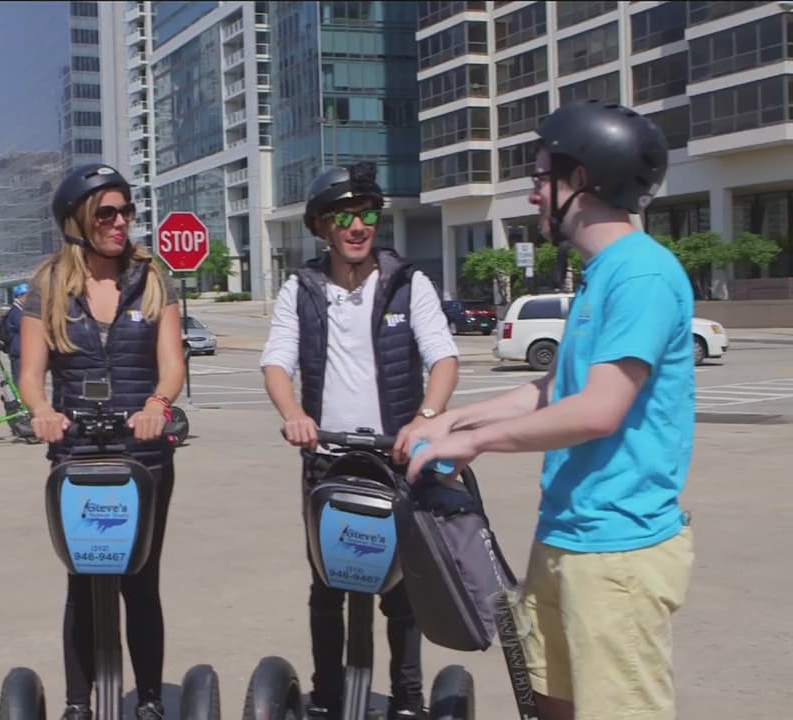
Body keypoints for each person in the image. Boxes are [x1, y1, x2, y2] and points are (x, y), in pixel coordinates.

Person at [405, 100, 694, 720]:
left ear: (581, 181)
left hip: (615, 551)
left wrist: (476, 444)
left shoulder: (641, 275)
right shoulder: (600, 274)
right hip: (566, 535)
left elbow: (598, 410)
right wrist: (453, 419)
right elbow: (554, 390)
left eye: (542, 177)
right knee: (549, 703)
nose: (534, 194)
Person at [260, 160, 460, 720]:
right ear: (322, 226)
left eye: (367, 213)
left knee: (402, 591)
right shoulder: (301, 289)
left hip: (396, 459)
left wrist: (424, 417)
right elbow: (277, 362)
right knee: (328, 587)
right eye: (343, 215)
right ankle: (327, 698)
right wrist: (294, 412)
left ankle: (408, 701)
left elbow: (442, 357)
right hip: (327, 458)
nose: (357, 225)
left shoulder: (406, 283)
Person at [17, 163, 185, 720]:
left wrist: (157, 407)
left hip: (145, 454)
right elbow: (30, 373)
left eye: (126, 211)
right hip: (77, 452)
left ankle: (152, 701)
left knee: (141, 581)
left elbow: (171, 365)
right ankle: (76, 705)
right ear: (77, 221)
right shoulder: (47, 287)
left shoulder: (153, 277)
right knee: (83, 583)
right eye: (106, 213)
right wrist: (41, 412)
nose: (120, 222)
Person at [0, 281, 30, 384]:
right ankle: (20, 399)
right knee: (19, 380)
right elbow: (25, 328)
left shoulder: (20, 311)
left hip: (20, 351)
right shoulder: (16, 312)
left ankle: (22, 398)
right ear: (20, 296)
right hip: (18, 351)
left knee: (23, 379)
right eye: (27, 295)